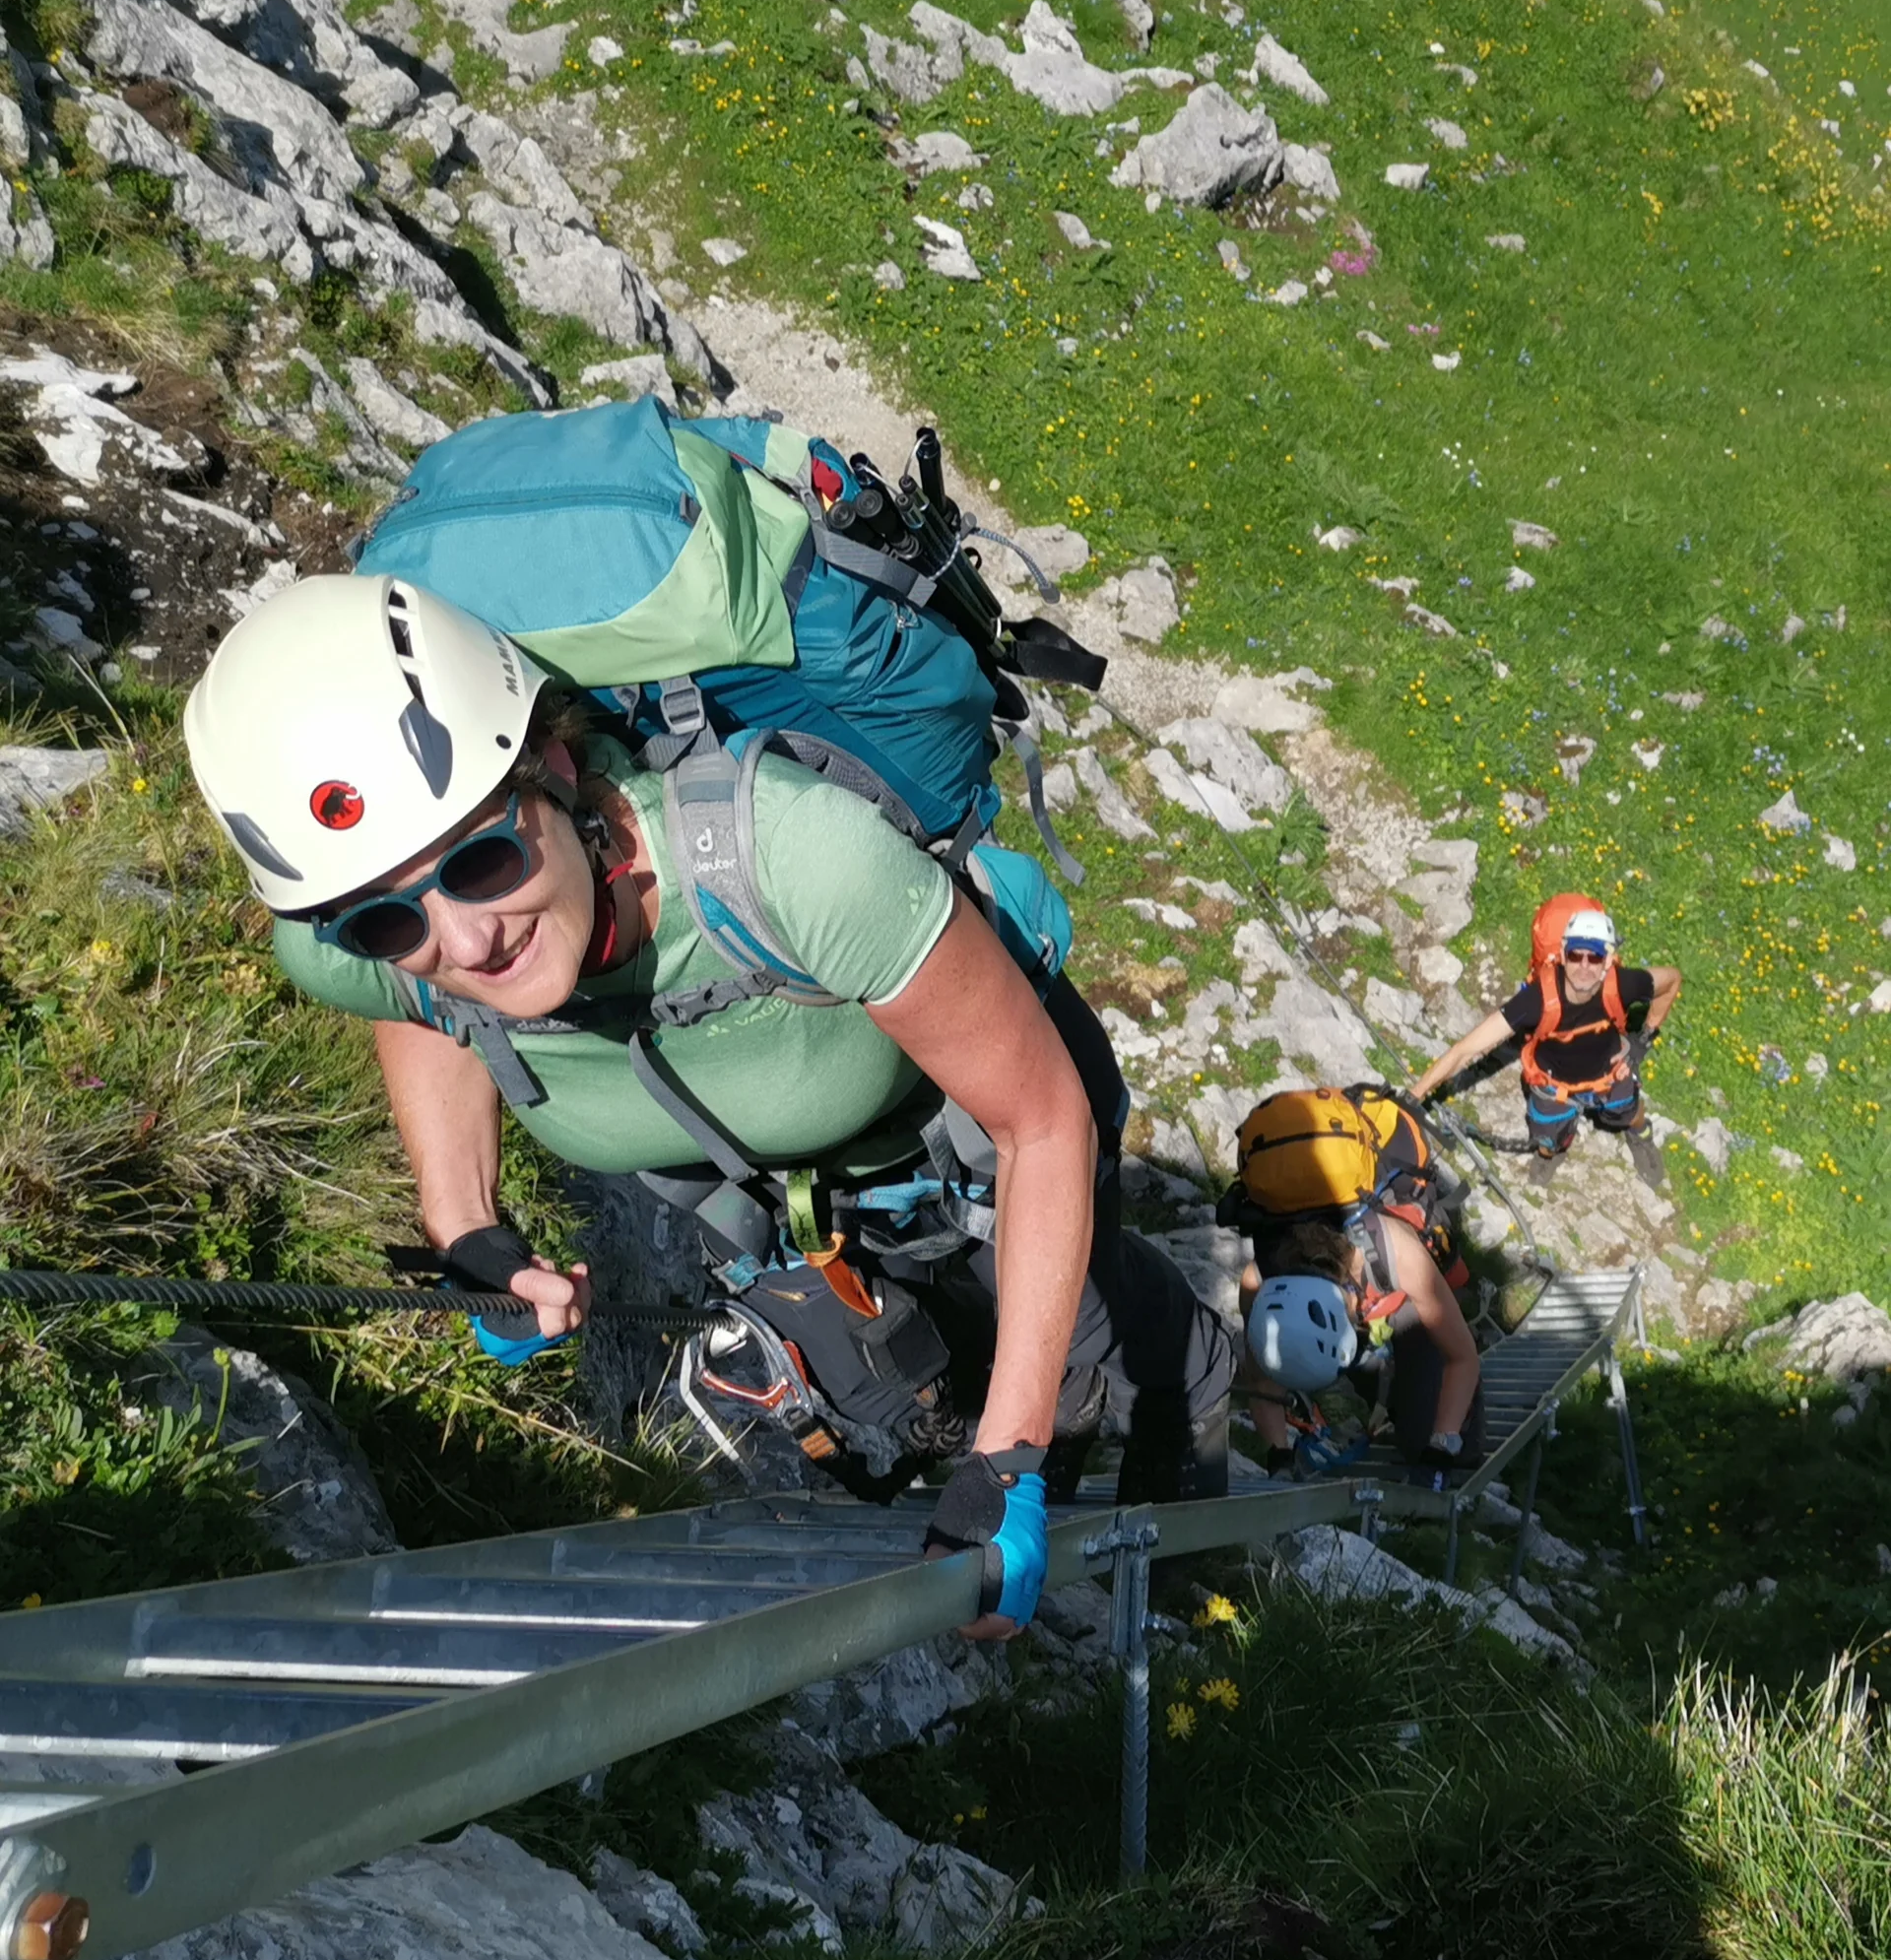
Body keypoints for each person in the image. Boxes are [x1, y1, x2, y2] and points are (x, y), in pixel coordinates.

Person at [182, 571, 1234, 1638]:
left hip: (979, 1133)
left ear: (553, 766)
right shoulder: (357, 945)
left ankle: (1194, 1385)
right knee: (908, 1393)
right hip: (796, 1210)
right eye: (384, 921)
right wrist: (465, 1223)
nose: (463, 944)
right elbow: (411, 1002)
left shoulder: (791, 861)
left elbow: (1043, 1118)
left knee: (1085, 1336)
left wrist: (1010, 1464)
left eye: (484, 859)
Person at [1407, 903, 1680, 1191]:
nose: (1584, 966)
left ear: (1607, 962)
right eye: (1576, 955)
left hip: (1609, 1075)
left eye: (1595, 957)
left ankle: (1640, 1133)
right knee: (1548, 1140)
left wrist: (1643, 1040)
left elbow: (1671, 980)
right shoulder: (1537, 1000)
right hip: (1553, 1084)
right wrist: (1414, 1095)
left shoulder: (1622, 985)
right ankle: (1552, 1151)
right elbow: (1465, 1050)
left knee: (1629, 1109)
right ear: (1563, 955)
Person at [1235, 1211, 1482, 1485]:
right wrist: (1279, 1457)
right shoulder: (1260, 1283)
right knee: (1408, 1415)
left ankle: (1414, 1400)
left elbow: (1462, 1358)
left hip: (1405, 1308)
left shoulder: (1397, 1253)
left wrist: (1441, 1448)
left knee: (1446, 1446)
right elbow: (1263, 1379)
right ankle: (1395, 1400)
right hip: (1360, 1328)